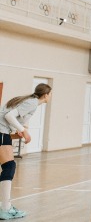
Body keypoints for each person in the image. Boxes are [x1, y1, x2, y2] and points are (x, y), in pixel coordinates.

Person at [0, 83, 52, 220]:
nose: (50, 97)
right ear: (46, 95)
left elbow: (14, 121)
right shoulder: (32, 102)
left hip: (3, 133)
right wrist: (23, 131)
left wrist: (21, 130)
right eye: (50, 94)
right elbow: (9, 116)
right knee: (9, 167)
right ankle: (5, 208)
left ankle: (6, 206)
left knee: (8, 167)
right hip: (1, 132)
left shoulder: (30, 102)